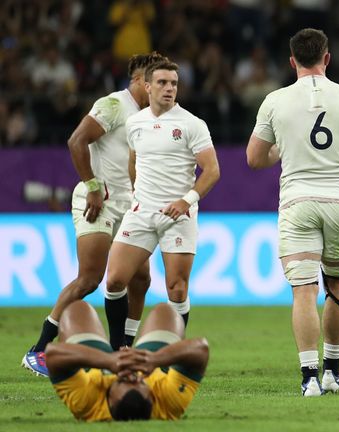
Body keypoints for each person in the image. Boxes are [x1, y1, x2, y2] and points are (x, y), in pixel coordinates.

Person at [246, 28, 339, 397]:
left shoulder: (274, 100)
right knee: (337, 286)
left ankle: (308, 378)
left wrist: (282, 153)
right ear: (328, 58)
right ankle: (332, 373)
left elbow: (255, 158)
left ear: (292, 62)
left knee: (304, 291)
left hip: (298, 203)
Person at [22, 52, 168, 378]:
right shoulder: (115, 104)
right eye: (155, 81)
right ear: (140, 80)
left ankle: (124, 349)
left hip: (130, 209)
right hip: (97, 203)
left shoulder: (151, 115)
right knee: (90, 279)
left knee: (141, 278)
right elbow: (77, 141)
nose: (161, 87)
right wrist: (91, 186)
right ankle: (40, 349)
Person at [104, 59, 220, 351]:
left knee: (176, 289)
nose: (169, 89)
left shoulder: (192, 124)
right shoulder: (135, 122)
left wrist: (187, 200)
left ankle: (172, 352)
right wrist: (136, 195)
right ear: (147, 85)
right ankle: (120, 348)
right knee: (115, 280)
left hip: (177, 216)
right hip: (141, 213)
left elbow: (212, 170)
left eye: (174, 84)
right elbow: (133, 162)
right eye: (162, 83)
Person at [46, 300, 209, 421]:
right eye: (139, 381)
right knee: (166, 311)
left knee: (76, 309)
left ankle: (113, 350)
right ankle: (138, 353)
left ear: (110, 399)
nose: (132, 373)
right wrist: (154, 359)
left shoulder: (87, 402)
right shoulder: (168, 401)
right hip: (151, 364)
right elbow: (201, 348)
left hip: (97, 364)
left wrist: (108, 361)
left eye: (122, 379)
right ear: (151, 397)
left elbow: (53, 353)